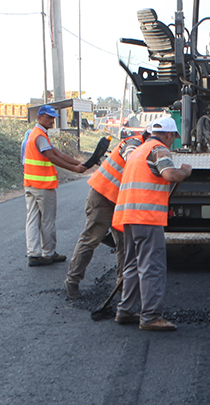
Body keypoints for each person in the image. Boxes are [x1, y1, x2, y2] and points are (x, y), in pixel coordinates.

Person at [110, 116, 192, 332]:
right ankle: (151, 316)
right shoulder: (159, 149)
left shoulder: (139, 150)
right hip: (146, 217)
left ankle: (125, 310)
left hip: (129, 215)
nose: (173, 140)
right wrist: (185, 171)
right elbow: (169, 174)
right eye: (173, 136)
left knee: (132, 265)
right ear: (168, 134)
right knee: (152, 266)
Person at [63, 125, 142, 299]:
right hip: (103, 196)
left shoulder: (148, 148)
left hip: (121, 201)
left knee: (124, 243)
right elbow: (130, 155)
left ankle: (123, 287)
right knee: (91, 237)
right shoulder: (134, 142)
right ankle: (72, 280)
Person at [21, 105, 87, 266]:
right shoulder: (40, 136)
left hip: (30, 184)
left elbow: (58, 153)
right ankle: (48, 252)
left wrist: (79, 163)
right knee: (47, 220)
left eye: (53, 118)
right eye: (49, 118)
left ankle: (34, 254)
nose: (52, 121)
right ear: (39, 118)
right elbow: (52, 157)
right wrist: (74, 169)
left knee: (32, 219)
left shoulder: (35, 134)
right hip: (43, 185)